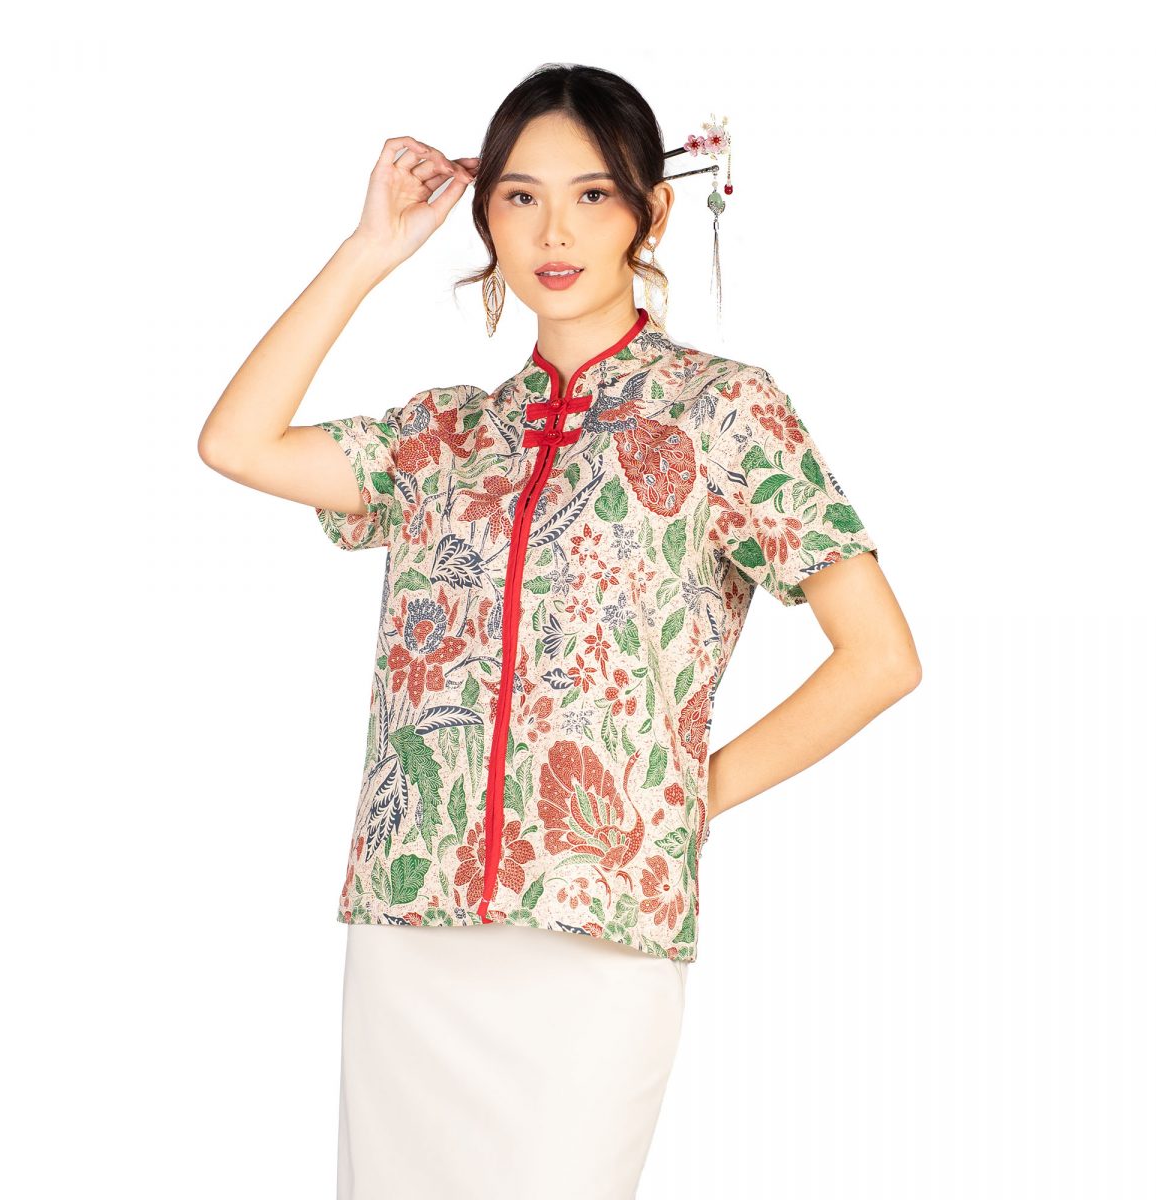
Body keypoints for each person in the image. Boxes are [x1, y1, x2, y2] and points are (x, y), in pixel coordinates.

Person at [198, 63, 921, 1200]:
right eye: (521, 197)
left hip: (602, 931)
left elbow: (880, 659)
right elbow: (236, 444)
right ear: (485, 217)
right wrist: (370, 250)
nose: (554, 231)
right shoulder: (444, 437)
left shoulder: (725, 414)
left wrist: (685, 796)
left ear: (651, 210)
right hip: (412, 921)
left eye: (591, 195)